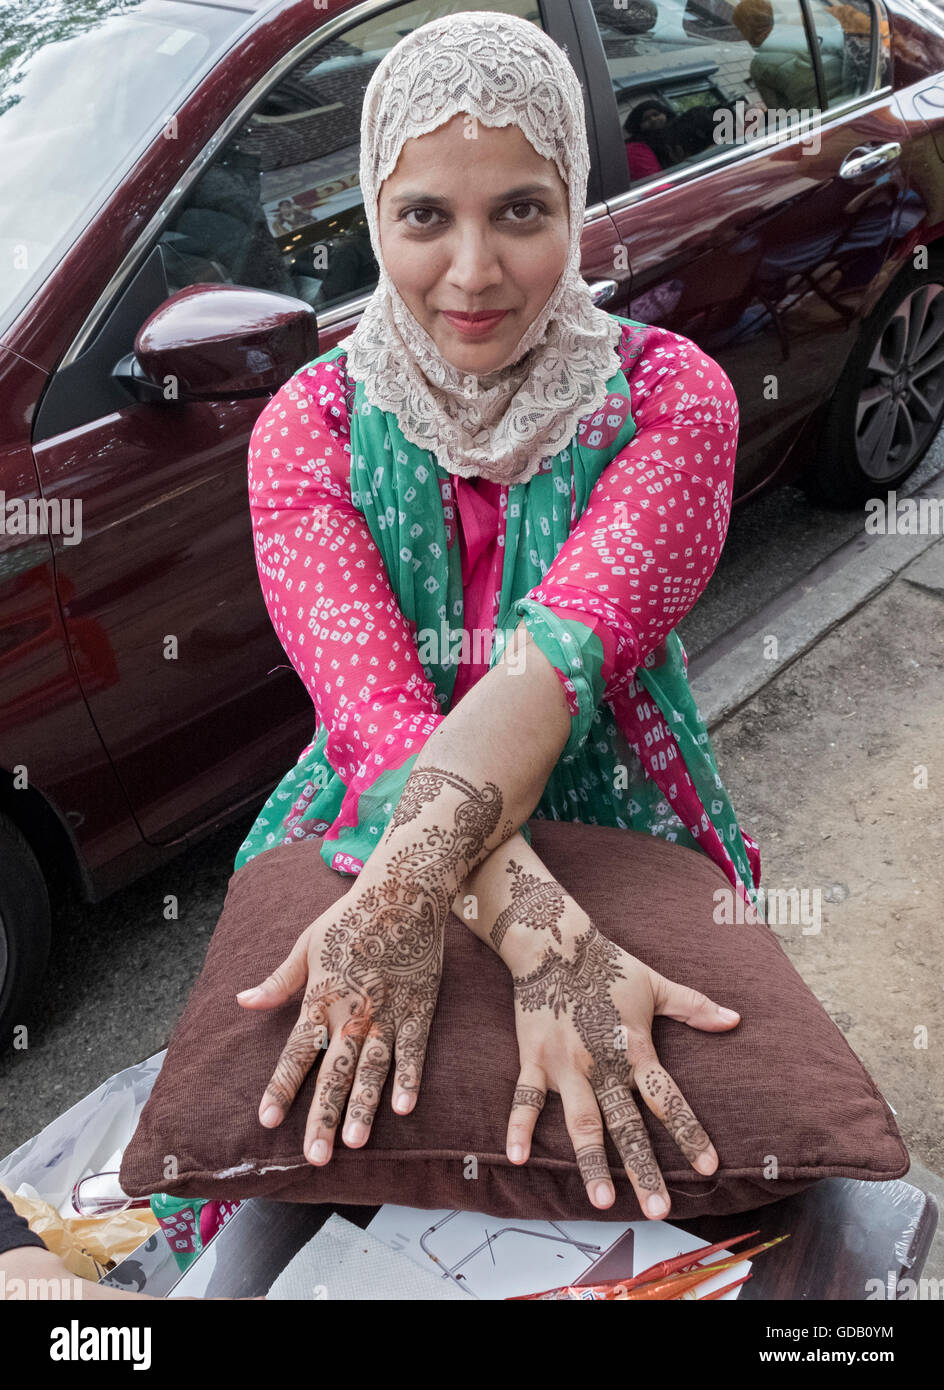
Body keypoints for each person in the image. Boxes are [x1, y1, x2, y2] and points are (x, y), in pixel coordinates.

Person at [233, 11, 762, 1223]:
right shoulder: (307, 429)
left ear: (575, 205)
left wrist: (422, 890)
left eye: (519, 210)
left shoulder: (667, 401)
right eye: (425, 216)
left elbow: (550, 668)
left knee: (696, 1201)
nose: (471, 273)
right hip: (374, 799)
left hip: (617, 808)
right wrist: (544, 943)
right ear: (372, 214)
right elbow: (372, 721)